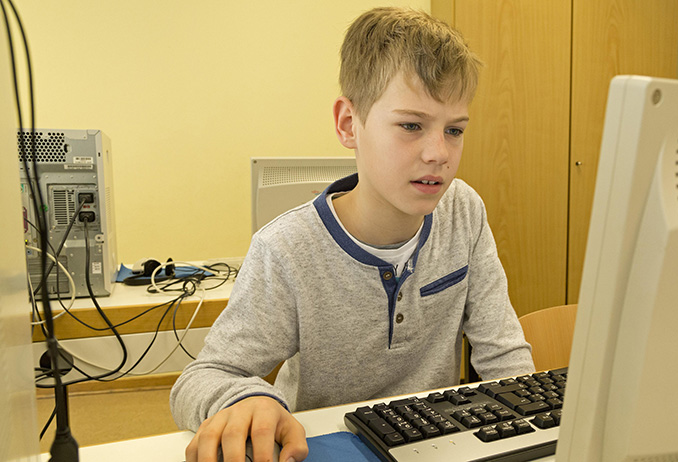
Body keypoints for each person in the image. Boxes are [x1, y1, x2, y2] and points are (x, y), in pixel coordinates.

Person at [170, 7, 534, 462]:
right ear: (348, 124)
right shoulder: (286, 248)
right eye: (411, 125)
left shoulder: (464, 211)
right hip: (327, 448)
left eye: (454, 130)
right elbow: (202, 378)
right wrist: (248, 399)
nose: (439, 153)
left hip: (433, 445)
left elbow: (504, 356)